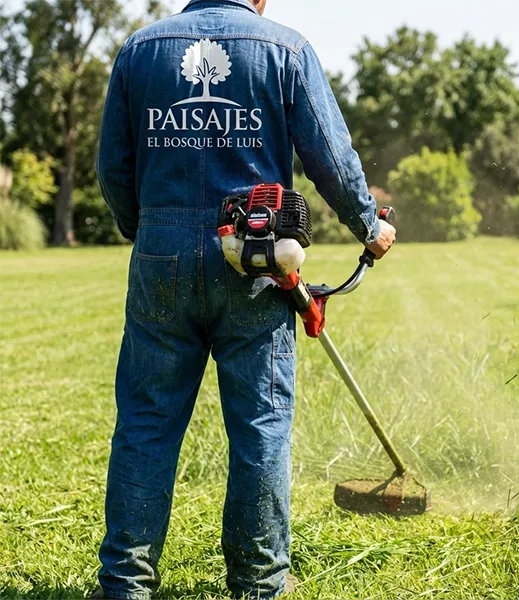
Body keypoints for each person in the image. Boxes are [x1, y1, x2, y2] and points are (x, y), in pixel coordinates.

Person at [93, 0, 396, 598]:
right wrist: (368, 224)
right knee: (260, 427)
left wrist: (148, 229)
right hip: (257, 256)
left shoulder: (139, 49)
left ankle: (126, 585)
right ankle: (259, 585)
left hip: (162, 253)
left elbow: (112, 167)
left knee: (146, 422)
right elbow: (329, 157)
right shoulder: (285, 49)